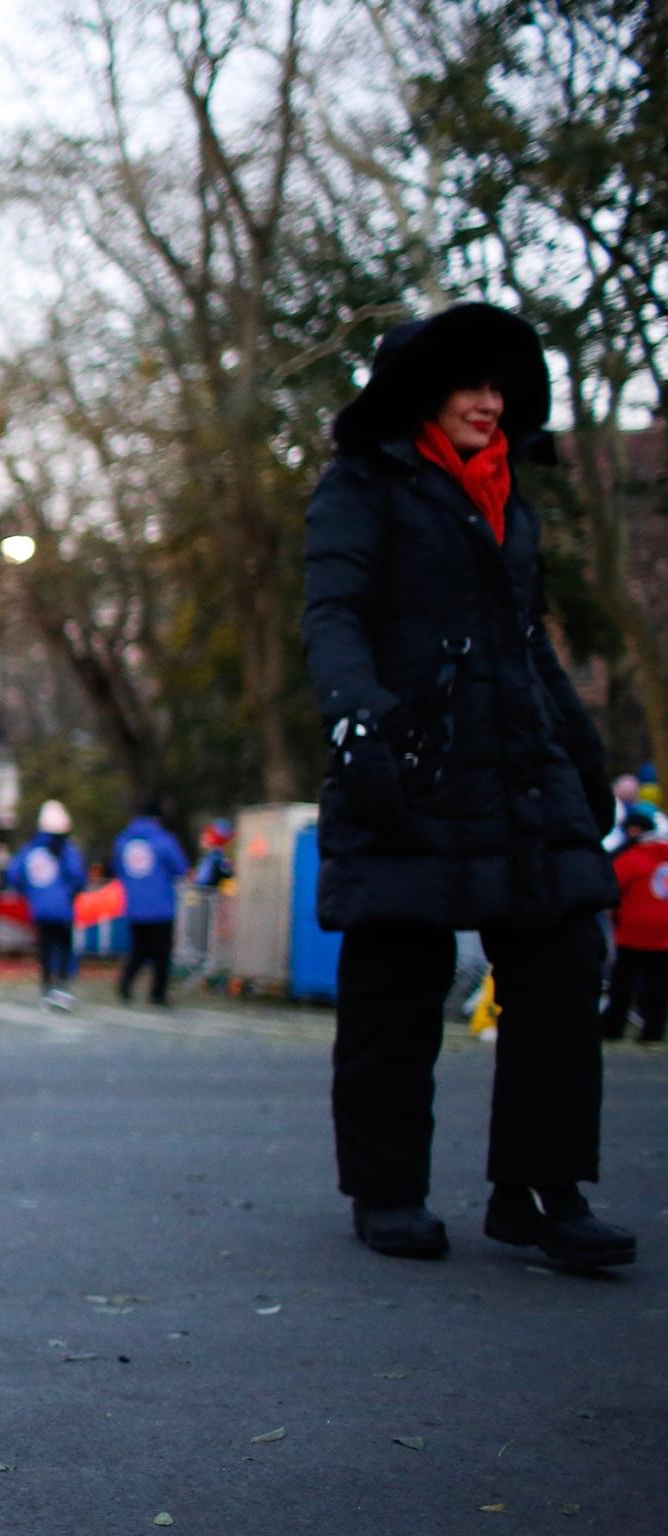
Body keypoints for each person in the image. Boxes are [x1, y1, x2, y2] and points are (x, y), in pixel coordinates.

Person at [303, 300, 634, 1268]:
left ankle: (540, 1190)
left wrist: (579, 747)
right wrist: (359, 721)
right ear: (419, 390)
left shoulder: (506, 498)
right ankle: (385, 1190)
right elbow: (331, 615)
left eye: (499, 386)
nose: (488, 403)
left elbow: (523, 640)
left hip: (520, 767)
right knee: (393, 984)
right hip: (407, 759)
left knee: (564, 963)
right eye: (468, 384)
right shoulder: (361, 484)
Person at [7, 801, 85, 1012]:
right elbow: (77, 875)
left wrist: (30, 893)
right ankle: (61, 986)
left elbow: (14, 874)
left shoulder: (30, 849)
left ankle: (47, 988)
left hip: (39, 909)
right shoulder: (66, 849)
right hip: (62, 909)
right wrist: (69, 893)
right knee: (63, 947)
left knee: (45, 948)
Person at [114, 801, 190, 1005]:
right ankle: (158, 993)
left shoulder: (124, 840)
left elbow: (118, 868)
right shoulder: (163, 839)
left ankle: (125, 983)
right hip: (160, 906)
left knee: (139, 950)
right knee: (161, 954)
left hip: (134, 905)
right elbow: (180, 867)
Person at [604, 811, 668, 1044]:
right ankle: (653, 1030)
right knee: (658, 985)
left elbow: (612, 889)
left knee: (623, 982)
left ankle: (613, 1027)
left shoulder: (632, 857)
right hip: (664, 933)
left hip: (633, 930)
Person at [192, 819, 234, 887]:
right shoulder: (213, 856)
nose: (203, 836)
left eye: (208, 834)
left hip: (210, 894)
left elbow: (204, 880)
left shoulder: (217, 857)